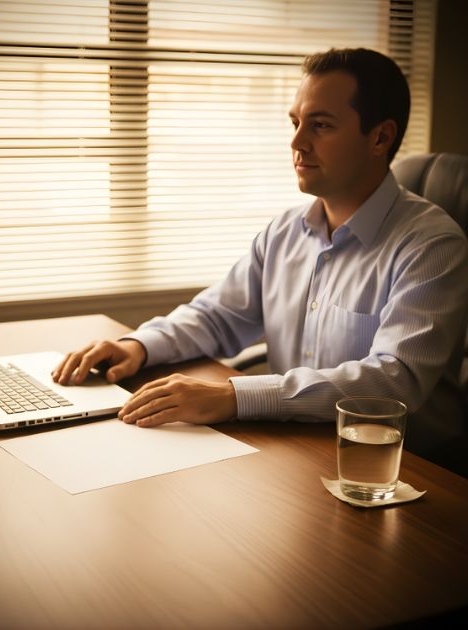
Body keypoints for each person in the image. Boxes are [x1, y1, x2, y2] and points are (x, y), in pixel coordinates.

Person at [52, 48, 468, 459]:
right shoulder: (285, 231)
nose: (297, 142)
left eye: (320, 126)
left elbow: (394, 379)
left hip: (406, 472)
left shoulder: (431, 245)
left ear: (380, 137)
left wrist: (234, 397)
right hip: (300, 451)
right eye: (295, 122)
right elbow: (217, 316)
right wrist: (139, 346)